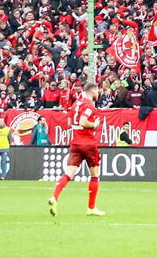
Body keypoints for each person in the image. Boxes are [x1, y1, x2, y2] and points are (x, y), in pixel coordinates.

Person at [48, 81, 103, 216]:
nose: (98, 93)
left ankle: (54, 197)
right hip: (88, 143)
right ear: (93, 91)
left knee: (69, 173)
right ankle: (91, 208)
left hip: (75, 142)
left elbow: (69, 123)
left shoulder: (76, 103)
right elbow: (83, 122)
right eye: (97, 91)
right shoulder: (89, 105)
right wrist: (94, 124)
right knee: (95, 175)